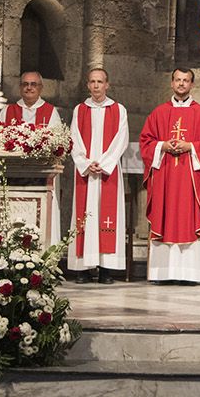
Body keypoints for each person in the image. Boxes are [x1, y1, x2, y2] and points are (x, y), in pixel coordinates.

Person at [139, 68, 200, 284]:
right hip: (165, 176)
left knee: (189, 216)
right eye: (178, 80)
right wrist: (163, 145)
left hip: (191, 179)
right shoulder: (158, 113)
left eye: (186, 81)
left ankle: (192, 273)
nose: (181, 84)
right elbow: (146, 142)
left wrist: (190, 146)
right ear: (171, 82)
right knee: (164, 215)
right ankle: (162, 273)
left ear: (192, 84)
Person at [69, 67, 128, 283]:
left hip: (107, 173)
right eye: (92, 82)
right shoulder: (79, 110)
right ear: (87, 85)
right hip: (85, 172)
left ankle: (106, 269)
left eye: (100, 82)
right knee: (84, 218)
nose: (96, 86)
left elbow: (121, 139)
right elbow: (73, 139)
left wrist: (103, 164)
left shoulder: (119, 109)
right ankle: (83, 269)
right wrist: (85, 163)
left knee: (107, 218)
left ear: (107, 84)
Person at [0, 69, 63, 240]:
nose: (29, 88)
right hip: (12, 175)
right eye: (25, 84)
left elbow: (57, 143)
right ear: (19, 87)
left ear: (41, 88)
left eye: (33, 84)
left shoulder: (51, 112)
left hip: (41, 175)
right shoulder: (7, 111)